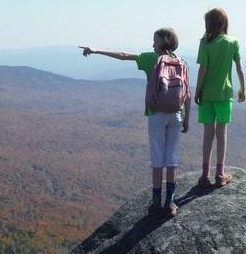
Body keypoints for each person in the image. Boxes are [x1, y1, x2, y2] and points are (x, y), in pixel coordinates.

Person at [79, 29, 190, 217]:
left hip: (156, 113)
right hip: (176, 114)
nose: (152, 44)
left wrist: (96, 50)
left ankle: (156, 204)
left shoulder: (152, 58)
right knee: (171, 157)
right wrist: (186, 118)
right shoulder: (181, 62)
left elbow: (123, 56)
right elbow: (187, 92)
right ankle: (170, 203)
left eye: (154, 41)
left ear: (162, 43)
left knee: (157, 157)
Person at [194, 7, 245, 188]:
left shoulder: (205, 43)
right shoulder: (233, 42)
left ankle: (204, 175)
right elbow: (239, 68)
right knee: (221, 134)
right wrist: (242, 88)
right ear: (224, 22)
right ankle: (220, 174)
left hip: (207, 94)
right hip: (224, 94)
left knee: (208, 134)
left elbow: (203, 69)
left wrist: (198, 91)